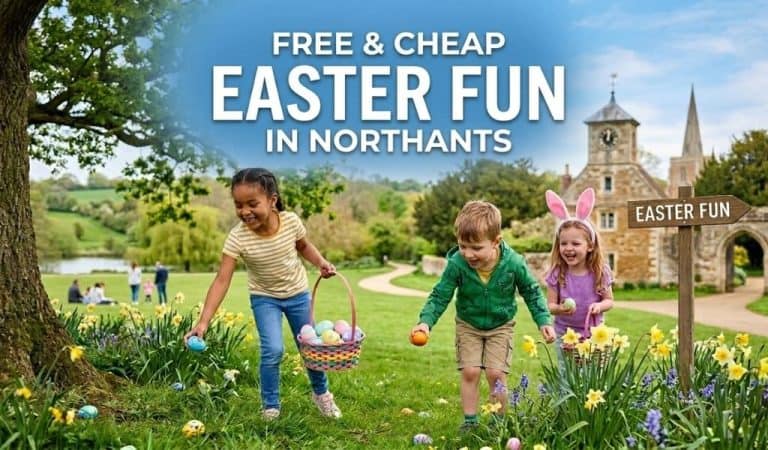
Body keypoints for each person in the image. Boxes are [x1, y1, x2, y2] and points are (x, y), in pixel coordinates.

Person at [184, 167, 341, 421]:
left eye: (252, 203)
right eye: (238, 205)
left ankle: (322, 395)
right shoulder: (237, 238)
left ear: (272, 200)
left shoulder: (290, 222)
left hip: (298, 294)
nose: (244, 211)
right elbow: (222, 279)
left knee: (310, 348)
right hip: (264, 298)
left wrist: (320, 262)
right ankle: (270, 406)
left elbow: (303, 246)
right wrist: (203, 322)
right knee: (273, 350)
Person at [410, 200, 555, 433]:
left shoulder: (513, 263)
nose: (468, 254)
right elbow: (440, 295)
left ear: (496, 241)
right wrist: (425, 322)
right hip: (468, 325)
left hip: (501, 325)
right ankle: (470, 422)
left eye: (476, 248)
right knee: (470, 371)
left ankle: (499, 423)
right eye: (462, 246)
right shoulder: (457, 263)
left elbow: (532, 291)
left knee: (496, 374)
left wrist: (544, 321)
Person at [543, 188, 614, 367]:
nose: (568, 248)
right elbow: (550, 306)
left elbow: (609, 301)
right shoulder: (556, 273)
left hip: (595, 333)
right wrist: (560, 308)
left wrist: (599, 306)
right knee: (568, 376)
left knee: (594, 376)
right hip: (565, 334)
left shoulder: (600, 271)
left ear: (590, 246)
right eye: (563, 243)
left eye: (575, 243)